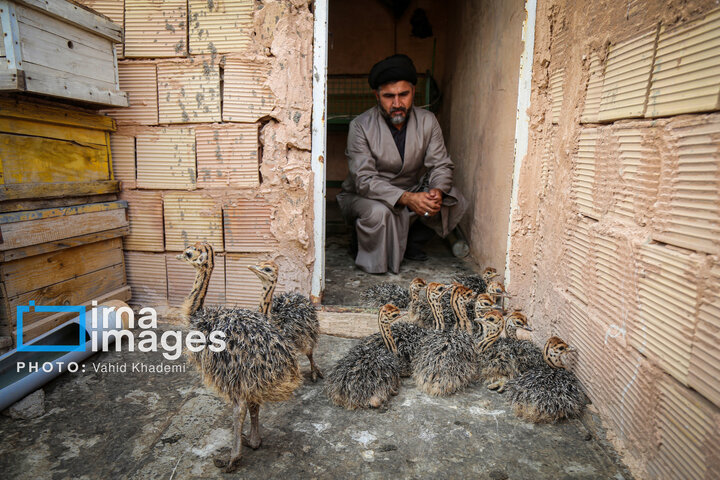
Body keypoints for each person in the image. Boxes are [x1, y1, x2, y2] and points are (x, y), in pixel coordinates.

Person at [336, 54, 468, 274]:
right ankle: (366, 248)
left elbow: (441, 165)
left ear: (413, 92)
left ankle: (410, 243)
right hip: (365, 196)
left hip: (410, 191)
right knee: (380, 212)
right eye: (389, 96)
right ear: (376, 96)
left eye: (403, 95)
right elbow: (364, 180)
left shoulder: (427, 121)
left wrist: (435, 191)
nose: (397, 104)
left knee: (449, 197)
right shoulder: (360, 126)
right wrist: (406, 198)